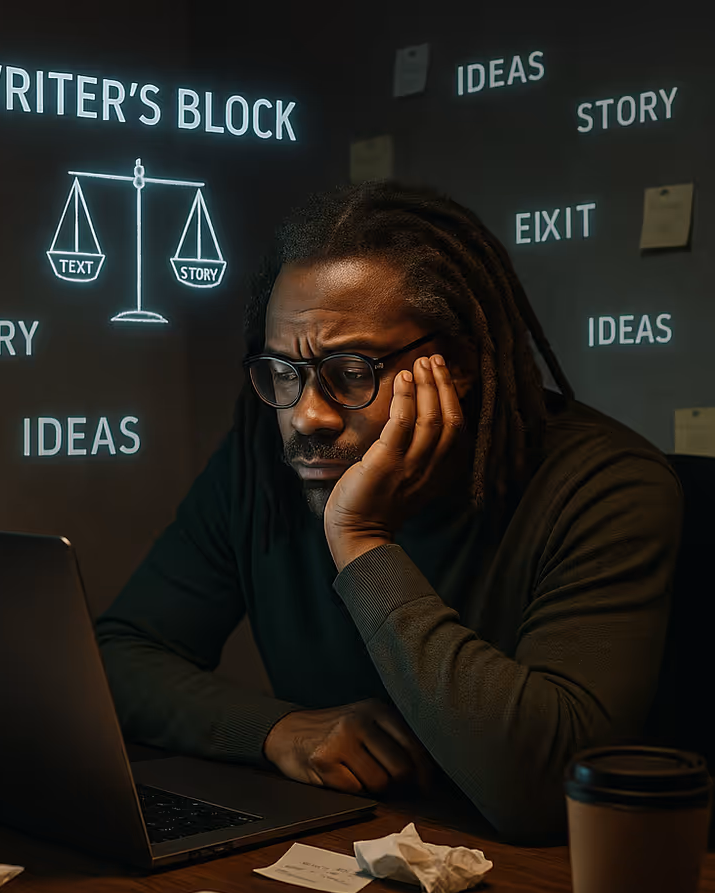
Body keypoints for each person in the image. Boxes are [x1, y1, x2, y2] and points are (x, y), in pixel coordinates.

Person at [95, 181, 682, 841]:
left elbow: (542, 792)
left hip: (537, 886)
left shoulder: (604, 485)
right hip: (340, 848)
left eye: (349, 371)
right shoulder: (264, 462)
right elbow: (117, 657)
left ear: (455, 362)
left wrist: (362, 540)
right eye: (282, 373)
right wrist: (275, 731)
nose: (307, 415)